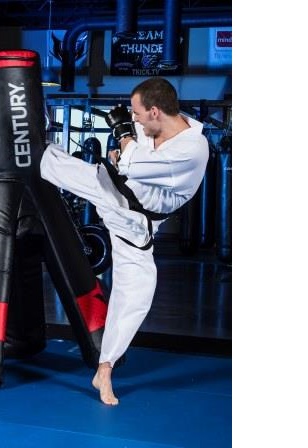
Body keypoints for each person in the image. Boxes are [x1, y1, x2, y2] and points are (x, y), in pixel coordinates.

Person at [39, 77, 209, 405]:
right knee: (52, 164)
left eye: (138, 113)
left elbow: (134, 163)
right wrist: (123, 148)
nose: (134, 118)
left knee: (136, 297)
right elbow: (128, 164)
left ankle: (104, 369)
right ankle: (28, 140)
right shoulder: (154, 127)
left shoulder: (192, 148)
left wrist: (123, 136)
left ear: (156, 111)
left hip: (135, 223)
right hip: (116, 194)